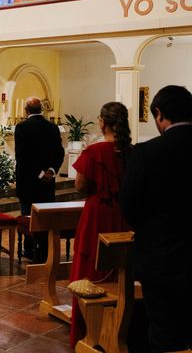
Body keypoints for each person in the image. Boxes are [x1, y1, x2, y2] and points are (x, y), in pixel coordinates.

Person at [120, 85, 192, 352]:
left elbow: (129, 205)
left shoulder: (147, 152)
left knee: (165, 334)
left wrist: (151, 230)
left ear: (160, 113)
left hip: (163, 257)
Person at [69, 102, 131, 348]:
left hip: (97, 215)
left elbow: (80, 186)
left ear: (102, 122)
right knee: (120, 273)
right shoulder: (131, 151)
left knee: (90, 269)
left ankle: (89, 332)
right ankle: (116, 331)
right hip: (123, 216)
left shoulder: (94, 152)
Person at [14, 96, 64, 261]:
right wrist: (50, 171)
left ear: (26, 110)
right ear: (42, 110)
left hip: (28, 182)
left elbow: (22, 156)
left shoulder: (22, 127)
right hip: (47, 184)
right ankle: (44, 249)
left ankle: (29, 249)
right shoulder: (53, 128)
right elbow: (59, 153)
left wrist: (39, 173)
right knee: (45, 217)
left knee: (28, 215)